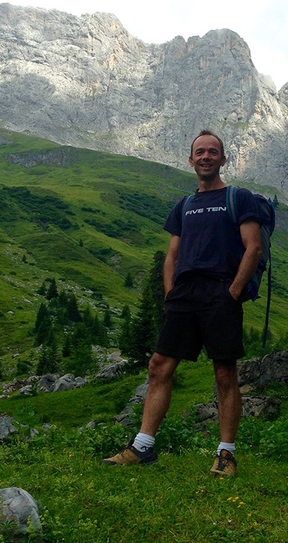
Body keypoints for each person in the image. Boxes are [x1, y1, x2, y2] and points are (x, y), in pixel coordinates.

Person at [102, 130, 263, 476]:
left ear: (223, 159)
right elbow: (172, 255)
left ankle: (226, 454)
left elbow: (253, 247)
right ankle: (143, 447)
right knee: (159, 366)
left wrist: (234, 291)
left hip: (220, 292)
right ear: (190, 161)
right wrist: (170, 293)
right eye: (199, 152)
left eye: (213, 152)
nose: (206, 157)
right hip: (184, 296)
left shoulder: (239, 197)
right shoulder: (184, 206)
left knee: (224, 372)